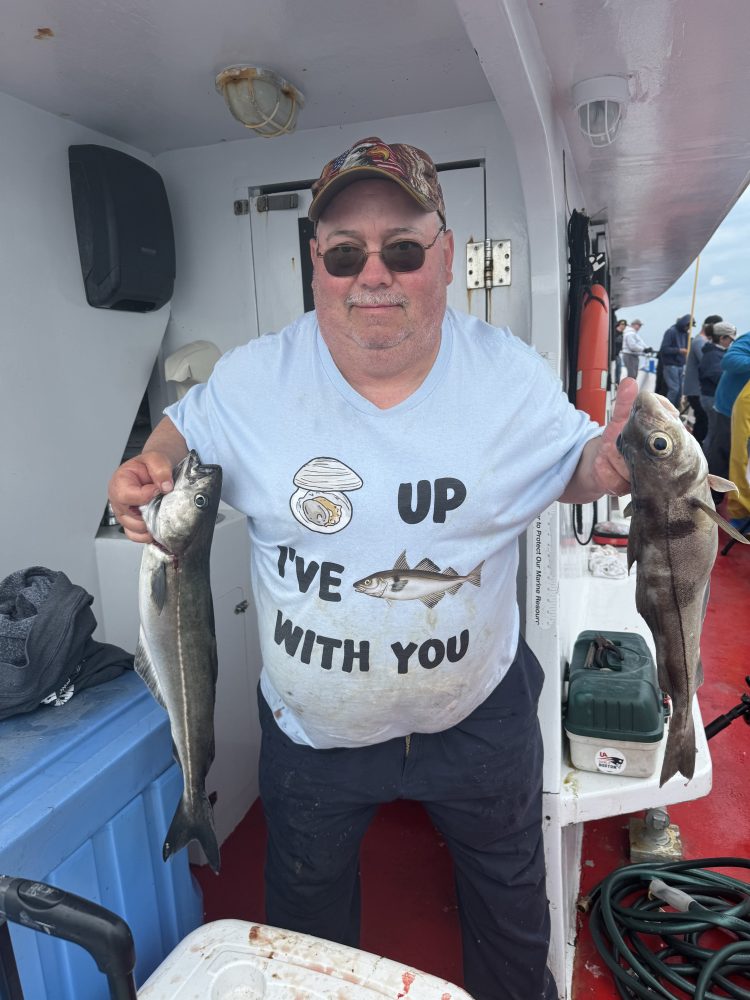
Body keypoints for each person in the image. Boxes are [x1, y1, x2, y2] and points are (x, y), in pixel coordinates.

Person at [108, 136, 638, 1000]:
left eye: (401, 248)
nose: (373, 275)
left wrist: (611, 464)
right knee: (306, 937)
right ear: (314, 265)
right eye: (346, 254)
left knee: (511, 918)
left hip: (478, 719)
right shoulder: (255, 379)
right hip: (315, 738)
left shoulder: (503, 374)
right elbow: (185, 429)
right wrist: (150, 463)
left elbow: (572, 466)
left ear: (446, 255)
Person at [709, 328, 750, 487]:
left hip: (746, 413)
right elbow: (728, 360)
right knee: (722, 455)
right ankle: (712, 499)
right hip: (728, 409)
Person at [698, 321, 737, 459]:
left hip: (710, 396)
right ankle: (707, 462)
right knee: (714, 434)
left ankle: (707, 460)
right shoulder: (713, 355)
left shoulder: (713, 353)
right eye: (730, 339)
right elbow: (715, 375)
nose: (731, 343)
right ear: (722, 338)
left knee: (713, 432)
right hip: (711, 398)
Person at [683, 314, 722, 444]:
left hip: (695, 389)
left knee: (701, 419)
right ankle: (698, 447)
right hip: (696, 390)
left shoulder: (701, 341)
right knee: (703, 420)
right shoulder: (700, 342)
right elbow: (708, 364)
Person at [658, 313, 694, 407]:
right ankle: (667, 411)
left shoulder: (686, 334)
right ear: (684, 323)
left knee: (680, 391)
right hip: (670, 365)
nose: (689, 328)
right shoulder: (671, 332)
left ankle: (676, 411)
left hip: (681, 365)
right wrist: (679, 350)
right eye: (688, 326)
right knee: (674, 389)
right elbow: (664, 349)